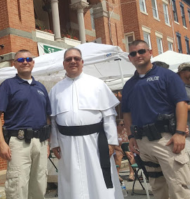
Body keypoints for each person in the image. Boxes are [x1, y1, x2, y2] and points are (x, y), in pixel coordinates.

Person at [49, 47, 123, 199]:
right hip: (66, 143)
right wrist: (54, 143)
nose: (73, 61)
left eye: (76, 58)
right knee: (72, 180)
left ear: (82, 62)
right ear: (64, 64)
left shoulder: (97, 84)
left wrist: (111, 141)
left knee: (99, 179)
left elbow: (109, 115)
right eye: (68, 59)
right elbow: (54, 121)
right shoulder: (55, 90)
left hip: (95, 141)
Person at [122, 40, 190, 199]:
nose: (138, 55)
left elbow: (181, 103)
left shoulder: (167, 76)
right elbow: (126, 113)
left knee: (179, 186)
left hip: (166, 139)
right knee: (158, 188)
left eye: (141, 51)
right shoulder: (129, 85)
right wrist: (131, 136)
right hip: (142, 142)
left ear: (150, 52)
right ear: (129, 57)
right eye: (133, 53)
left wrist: (180, 132)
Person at [0, 49, 51, 199]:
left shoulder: (41, 87)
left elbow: (47, 116)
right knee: (18, 186)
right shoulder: (8, 85)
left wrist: (48, 142)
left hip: (41, 142)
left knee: (39, 184)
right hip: (18, 142)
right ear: (14, 65)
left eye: (28, 59)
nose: (25, 62)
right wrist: (1, 143)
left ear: (33, 63)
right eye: (20, 60)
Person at [177, 62, 190, 158]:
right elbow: (181, 106)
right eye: (188, 70)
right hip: (186, 131)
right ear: (182, 72)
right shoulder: (178, 87)